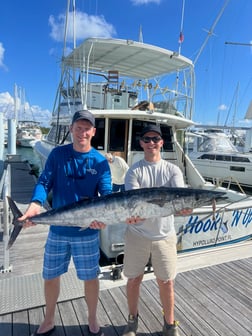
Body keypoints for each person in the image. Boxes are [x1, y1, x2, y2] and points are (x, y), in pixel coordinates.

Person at [20, 110, 111, 336]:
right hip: (58, 230)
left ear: (93, 132)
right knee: (50, 275)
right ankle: (49, 319)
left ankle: (92, 318)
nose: (82, 132)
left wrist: (104, 217)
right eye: (78, 128)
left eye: (86, 128)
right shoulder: (57, 155)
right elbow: (44, 181)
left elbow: (107, 193)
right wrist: (35, 204)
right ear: (71, 129)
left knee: (90, 277)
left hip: (87, 232)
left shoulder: (100, 162)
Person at [122, 124, 192, 336]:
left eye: (155, 139)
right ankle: (132, 321)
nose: (151, 143)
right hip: (137, 235)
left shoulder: (173, 170)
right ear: (141, 143)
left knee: (167, 282)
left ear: (162, 142)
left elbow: (179, 199)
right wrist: (134, 215)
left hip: (164, 236)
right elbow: (134, 205)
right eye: (147, 139)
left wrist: (184, 208)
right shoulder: (134, 170)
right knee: (134, 280)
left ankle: (169, 324)